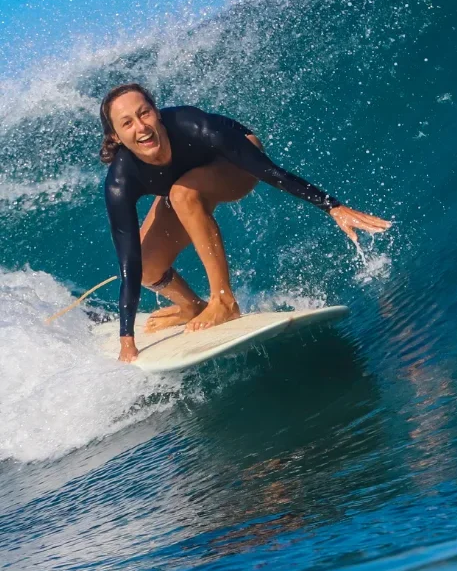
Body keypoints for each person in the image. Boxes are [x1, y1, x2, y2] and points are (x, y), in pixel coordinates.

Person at [100, 83, 391, 362]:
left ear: (157, 112)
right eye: (127, 123)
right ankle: (191, 305)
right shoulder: (120, 181)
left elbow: (267, 170)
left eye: (144, 113)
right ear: (114, 137)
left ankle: (224, 301)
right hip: (185, 185)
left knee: (181, 194)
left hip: (235, 163)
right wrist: (128, 340)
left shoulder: (191, 125)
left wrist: (332, 206)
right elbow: (129, 261)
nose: (141, 127)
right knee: (148, 266)